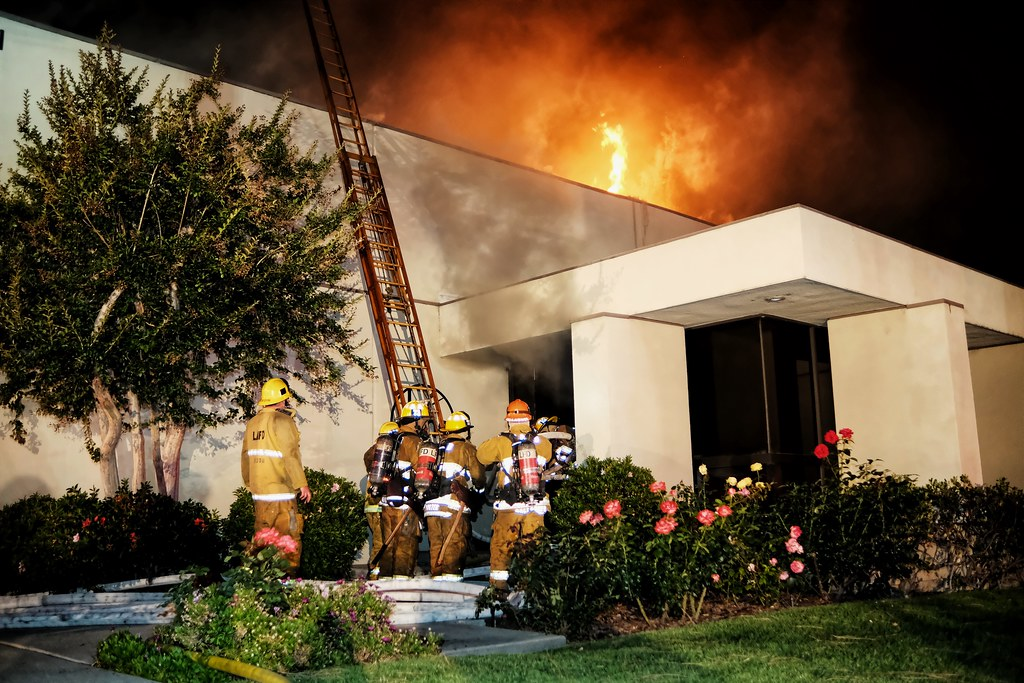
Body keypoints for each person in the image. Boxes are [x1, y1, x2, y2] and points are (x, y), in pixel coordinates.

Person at [475, 399, 552, 590]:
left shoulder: (501, 442)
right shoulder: (543, 443)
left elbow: (481, 455)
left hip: (509, 506)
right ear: (529, 419)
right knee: (532, 549)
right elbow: (549, 457)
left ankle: (499, 590)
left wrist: (499, 440)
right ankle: (530, 591)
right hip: (535, 505)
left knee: (502, 548)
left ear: (508, 420)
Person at [241, 377, 311, 573]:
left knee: (262, 544)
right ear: (283, 399)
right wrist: (302, 484)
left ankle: (258, 584)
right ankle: (286, 587)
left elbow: (245, 457)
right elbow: (290, 455)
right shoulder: (283, 421)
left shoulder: (253, 423)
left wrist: (250, 483)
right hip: (281, 496)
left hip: (260, 496)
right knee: (288, 543)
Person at [419, 411, 486, 581]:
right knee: (455, 545)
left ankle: (437, 582)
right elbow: (478, 476)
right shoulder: (466, 448)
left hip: (431, 506)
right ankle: (452, 584)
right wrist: (479, 490)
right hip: (452, 505)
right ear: (466, 430)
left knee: (436, 546)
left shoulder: (436, 447)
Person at [371, 400, 429, 580]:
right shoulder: (415, 442)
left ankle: (385, 583)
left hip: (386, 502)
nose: (426, 425)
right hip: (405, 503)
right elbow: (423, 469)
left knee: (387, 546)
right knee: (405, 545)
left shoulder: (389, 439)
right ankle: (402, 584)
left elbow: (369, 459)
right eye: (424, 421)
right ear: (416, 420)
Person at [362, 421, 398, 579]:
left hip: (373, 505)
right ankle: (374, 575)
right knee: (381, 542)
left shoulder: (374, 453)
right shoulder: (384, 453)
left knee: (382, 542)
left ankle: (378, 572)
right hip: (377, 506)